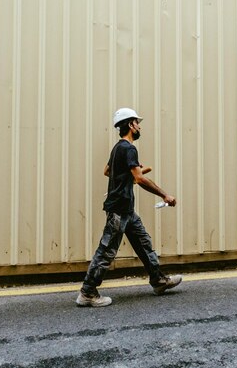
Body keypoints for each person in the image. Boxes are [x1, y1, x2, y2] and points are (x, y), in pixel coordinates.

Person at [76, 108, 182, 307]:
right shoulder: (129, 148)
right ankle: (87, 292)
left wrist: (127, 177)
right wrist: (164, 195)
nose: (139, 126)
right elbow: (140, 178)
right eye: (137, 122)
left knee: (143, 243)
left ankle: (158, 281)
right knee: (107, 250)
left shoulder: (118, 148)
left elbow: (108, 171)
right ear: (131, 125)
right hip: (119, 209)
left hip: (127, 210)